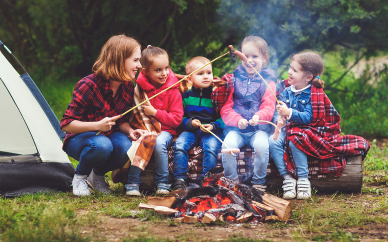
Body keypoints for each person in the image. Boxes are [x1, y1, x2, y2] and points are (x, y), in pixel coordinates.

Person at [269, 51, 370, 200]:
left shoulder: (314, 94)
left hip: (309, 129)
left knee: (296, 139)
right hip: (287, 128)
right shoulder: (286, 91)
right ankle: (287, 177)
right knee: (273, 141)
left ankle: (303, 179)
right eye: (290, 68)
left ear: (308, 77)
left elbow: (310, 118)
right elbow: (279, 113)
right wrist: (280, 118)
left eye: (295, 70)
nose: (289, 72)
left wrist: (289, 112)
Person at [61, 35, 145, 196]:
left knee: (125, 147)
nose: (139, 66)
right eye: (135, 60)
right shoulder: (89, 85)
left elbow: (120, 121)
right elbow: (66, 124)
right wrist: (97, 125)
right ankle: (79, 178)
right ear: (120, 60)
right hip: (79, 139)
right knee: (102, 145)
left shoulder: (127, 86)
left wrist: (130, 131)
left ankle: (97, 175)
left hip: (105, 137)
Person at [220, 36, 277, 192]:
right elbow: (225, 109)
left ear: (265, 59)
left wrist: (259, 117)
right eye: (246, 56)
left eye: (255, 56)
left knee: (261, 146)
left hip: (258, 130)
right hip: (236, 129)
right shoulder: (233, 80)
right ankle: (231, 181)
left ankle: (258, 182)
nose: (249, 60)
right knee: (228, 146)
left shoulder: (268, 82)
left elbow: (269, 106)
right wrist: (237, 120)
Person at [125, 46, 184, 196]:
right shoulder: (140, 90)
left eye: (166, 68)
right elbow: (135, 114)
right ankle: (132, 183)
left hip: (167, 131)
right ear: (145, 72)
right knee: (142, 140)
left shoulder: (173, 90)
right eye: (158, 70)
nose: (164, 73)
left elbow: (177, 120)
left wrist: (155, 113)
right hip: (145, 128)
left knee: (157, 142)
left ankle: (163, 182)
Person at [172, 57, 224, 190]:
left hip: (210, 131)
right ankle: (179, 179)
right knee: (180, 144)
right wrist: (190, 123)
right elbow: (179, 118)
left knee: (211, 147)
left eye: (209, 73)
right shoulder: (186, 96)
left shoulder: (216, 95)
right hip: (191, 130)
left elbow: (224, 118)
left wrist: (213, 125)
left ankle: (207, 182)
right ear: (189, 79)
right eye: (200, 74)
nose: (206, 77)